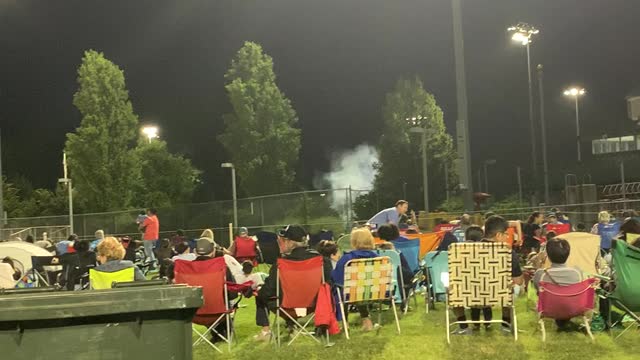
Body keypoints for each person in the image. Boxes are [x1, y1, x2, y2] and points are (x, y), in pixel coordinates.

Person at [253, 225, 332, 341]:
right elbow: (329, 285)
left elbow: (268, 290)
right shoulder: (322, 261)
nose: (280, 243)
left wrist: (258, 291)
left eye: (283, 241)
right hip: (314, 305)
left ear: (290, 242)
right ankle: (295, 326)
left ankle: (266, 332)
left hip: (286, 307)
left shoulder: (281, 264)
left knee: (261, 294)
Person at [453, 216, 523, 335]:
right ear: (498, 235)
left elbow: (455, 277)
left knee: (453, 288)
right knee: (515, 287)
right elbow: (518, 281)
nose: (507, 237)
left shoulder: (464, 251)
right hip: (498, 294)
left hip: (469, 294)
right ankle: (506, 324)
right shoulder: (507, 252)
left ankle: (463, 326)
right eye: (506, 234)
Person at [332, 227, 381, 332]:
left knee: (340, 290)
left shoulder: (347, 259)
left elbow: (337, 278)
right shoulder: (378, 258)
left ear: (354, 241)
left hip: (352, 293)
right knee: (360, 289)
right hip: (375, 293)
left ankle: (344, 324)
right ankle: (367, 321)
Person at [533, 238, 583, 330]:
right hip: (574, 309)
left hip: (549, 309)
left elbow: (537, 289)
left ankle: (562, 323)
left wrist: (538, 264)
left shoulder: (541, 274)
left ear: (547, 255)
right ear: (568, 253)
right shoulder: (577, 272)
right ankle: (564, 323)